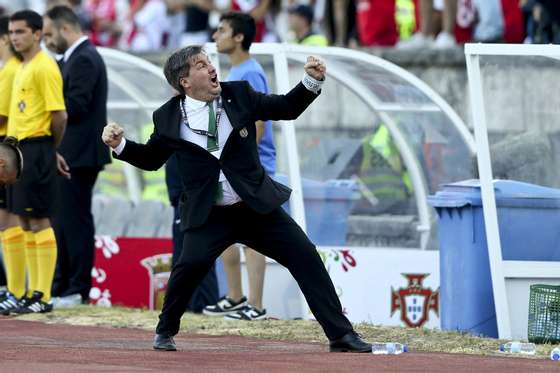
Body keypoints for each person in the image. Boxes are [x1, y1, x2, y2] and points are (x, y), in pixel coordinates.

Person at [102, 45, 371, 353]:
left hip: (254, 208)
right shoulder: (166, 117)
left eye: (210, 62)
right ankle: (165, 331)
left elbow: (285, 107)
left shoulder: (239, 94)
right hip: (210, 215)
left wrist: (311, 82)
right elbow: (151, 159)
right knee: (187, 269)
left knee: (306, 256)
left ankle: (341, 335)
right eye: (201, 65)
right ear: (185, 82)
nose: (212, 68)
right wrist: (120, 144)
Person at [202, 11, 276, 321]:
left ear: (239, 37)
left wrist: (245, 162)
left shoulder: (251, 72)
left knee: (252, 235)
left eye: (221, 31)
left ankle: (255, 305)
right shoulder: (233, 73)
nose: (215, 36)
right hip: (230, 166)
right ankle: (234, 296)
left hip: (251, 167)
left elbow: (258, 122)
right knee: (224, 230)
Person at [42, 5, 111, 307]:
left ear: (65, 28)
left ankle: (76, 289)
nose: (46, 41)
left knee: (75, 221)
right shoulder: (73, 58)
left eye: (48, 34)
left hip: (79, 154)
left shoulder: (84, 58)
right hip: (71, 153)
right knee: (63, 221)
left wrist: (44, 106)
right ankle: (63, 286)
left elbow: (76, 106)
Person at [4, 10, 67, 314]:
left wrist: (47, 149)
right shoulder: (23, 66)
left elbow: (59, 115)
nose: (15, 37)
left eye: (21, 31)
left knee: (39, 219)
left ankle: (43, 295)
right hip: (18, 150)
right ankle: (31, 292)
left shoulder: (44, 66)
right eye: (12, 32)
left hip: (35, 148)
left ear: (37, 34)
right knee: (25, 220)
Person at [0, 15, 26, 315]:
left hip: (9, 153)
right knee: (7, 220)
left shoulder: (11, 71)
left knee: (12, 219)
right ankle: (14, 287)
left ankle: (18, 289)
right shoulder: (11, 70)